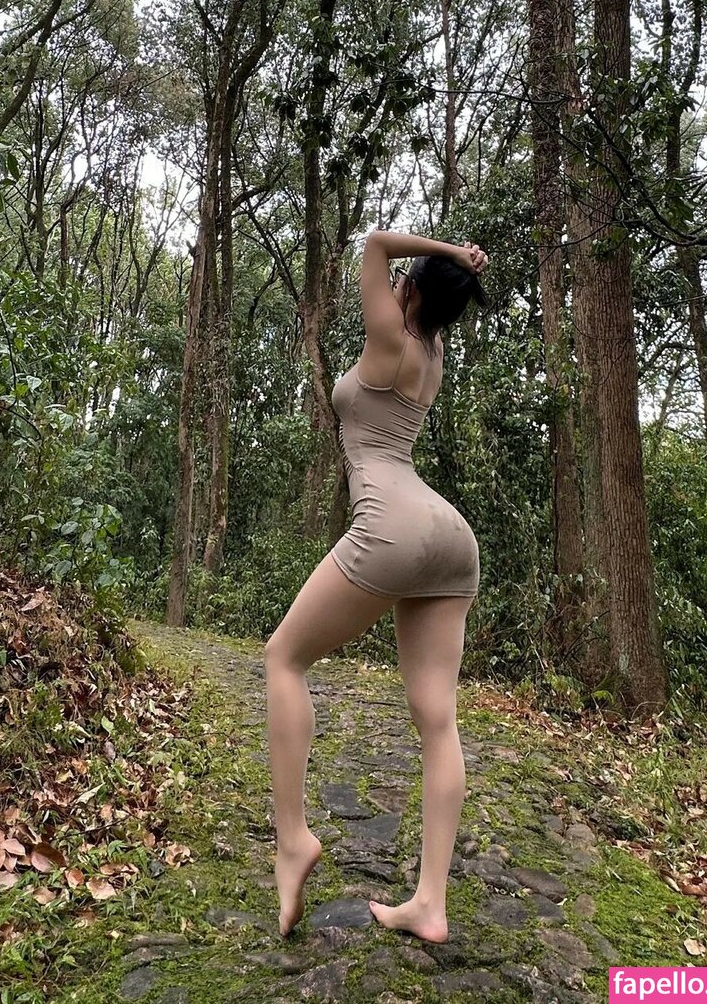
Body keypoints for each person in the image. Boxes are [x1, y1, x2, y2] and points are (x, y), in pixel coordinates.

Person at [263, 230, 489, 942]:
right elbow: (398, 269)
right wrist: (456, 266)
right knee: (438, 720)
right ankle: (430, 903)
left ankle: (293, 839)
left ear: (411, 290)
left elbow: (374, 244)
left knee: (283, 658)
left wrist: (449, 251)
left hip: (393, 522)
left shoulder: (392, 335)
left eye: (402, 283)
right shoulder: (432, 350)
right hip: (449, 538)